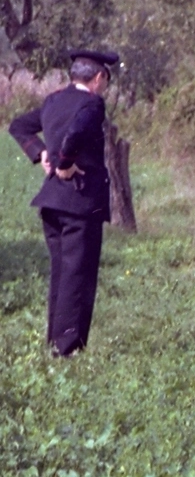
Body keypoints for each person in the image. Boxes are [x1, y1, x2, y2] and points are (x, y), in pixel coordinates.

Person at [8, 50, 120, 357]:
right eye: (105, 81)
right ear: (99, 78)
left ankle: (55, 344)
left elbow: (18, 126)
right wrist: (64, 163)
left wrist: (40, 152)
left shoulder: (53, 101)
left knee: (62, 273)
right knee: (78, 275)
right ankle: (67, 349)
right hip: (80, 202)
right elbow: (77, 131)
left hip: (52, 202)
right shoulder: (93, 103)